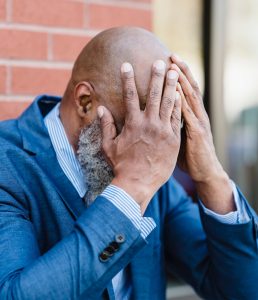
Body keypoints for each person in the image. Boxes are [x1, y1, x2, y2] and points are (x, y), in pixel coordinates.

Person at [0, 27, 257, 300]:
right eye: (139, 115)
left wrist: (210, 175)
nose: (155, 136)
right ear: (86, 102)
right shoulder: (9, 167)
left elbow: (243, 291)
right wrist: (132, 186)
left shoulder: (157, 182)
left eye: (167, 117)